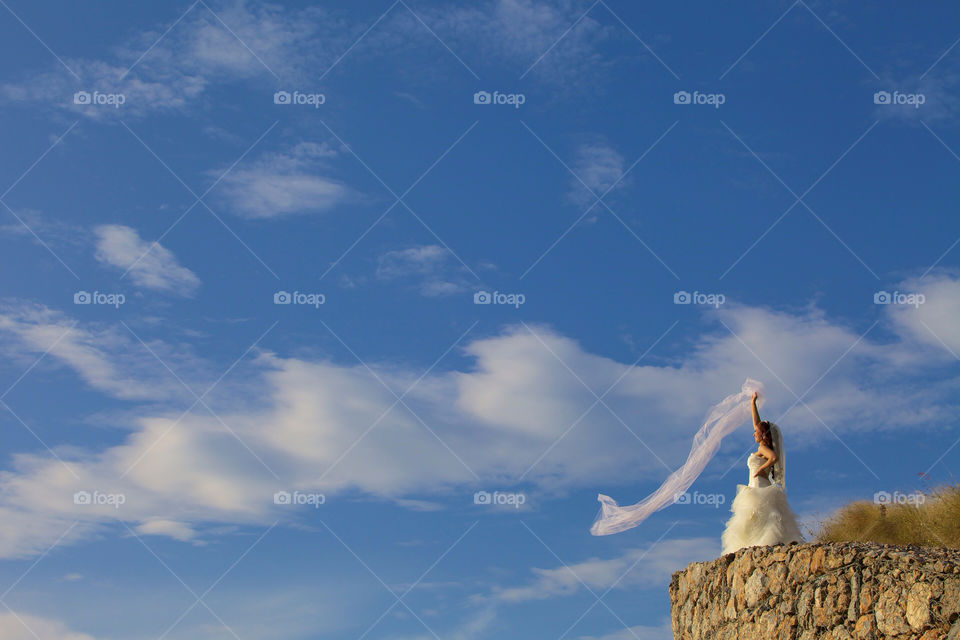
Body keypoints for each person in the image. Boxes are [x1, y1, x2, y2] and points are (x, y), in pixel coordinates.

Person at [720, 391, 805, 555]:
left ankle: (760, 544)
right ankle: (758, 543)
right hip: (757, 484)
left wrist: (759, 469)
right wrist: (753, 403)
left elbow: (774, 458)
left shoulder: (762, 448)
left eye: (756, 432)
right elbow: (756, 422)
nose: (753, 433)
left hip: (759, 484)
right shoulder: (763, 445)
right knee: (760, 516)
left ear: (763, 434)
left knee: (758, 514)